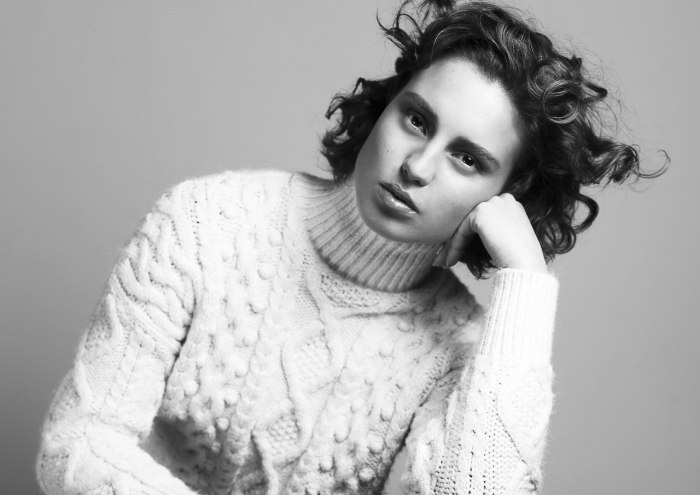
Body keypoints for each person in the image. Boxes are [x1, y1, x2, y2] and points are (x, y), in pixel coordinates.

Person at [35, 1, 663, 494]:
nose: (417, 166)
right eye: (417, 120)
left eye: (468, 159)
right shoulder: (203, 224)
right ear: (385, 108)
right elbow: (77, 446)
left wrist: (525, 284)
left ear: (505, 196)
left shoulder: (461, 348)